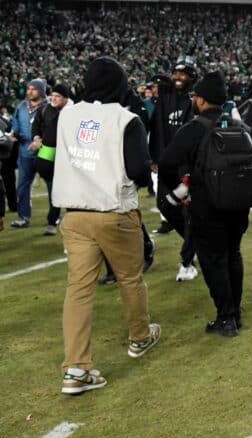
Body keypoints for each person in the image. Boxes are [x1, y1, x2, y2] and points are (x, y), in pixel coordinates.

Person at [51, 56, 160, 395]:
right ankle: (139, 337)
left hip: (74, 212)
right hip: (114, 211)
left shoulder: (67, 115)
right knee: (130, 277)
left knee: (78, 288)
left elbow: (61, 154)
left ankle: (76, 368)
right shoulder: (126, 119)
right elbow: (139, 169)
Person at [161, 71, 252, 336]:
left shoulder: (193, 128)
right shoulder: (241, 127)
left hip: (206, 206)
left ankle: (226, 317)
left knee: (213, 260)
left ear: (201, 99)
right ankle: (235, 313)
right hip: (238, 208)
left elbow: (167, 163)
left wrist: (181, 191)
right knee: (233, 255)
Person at [152, 61, 200, 279]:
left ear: (192, 77)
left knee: (189, 212)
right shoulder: (166, 98)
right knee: (165, 205)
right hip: (168, 164)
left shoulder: (196, 99)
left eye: (183, 74)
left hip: (187, 166)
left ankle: (187, 262)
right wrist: (155, 158)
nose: (178, 77)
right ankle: (195, 242)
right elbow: (157, 128)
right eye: (175, 73)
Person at [30, 83, 72, 236]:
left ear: (66, 99)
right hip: (49, 154)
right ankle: (53, 221)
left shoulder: (74, 112)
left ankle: (71, 220)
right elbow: (36, 126)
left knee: (70, 189)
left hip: (69, 157)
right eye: (52, 95)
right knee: (52, 188)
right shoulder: (45, 109)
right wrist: (37, 138)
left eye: (57, 96)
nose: (53, 99)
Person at [9, 78, 48, 228]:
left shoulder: (49, 106)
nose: (30, 92)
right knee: (22, 185)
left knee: (51, 184)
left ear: (41, 91)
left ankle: (54, 218)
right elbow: (15, 123)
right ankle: (23, 217)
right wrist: (14, 133)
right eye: (28, 89)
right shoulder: (21, 106)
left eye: (34, 89)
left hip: (45, 150)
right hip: (25, 150)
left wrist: (42, 140)